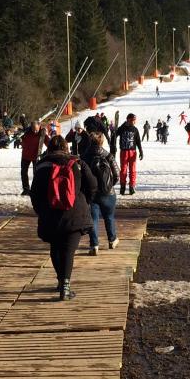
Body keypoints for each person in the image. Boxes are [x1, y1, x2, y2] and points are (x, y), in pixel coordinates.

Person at [29, 136, 96, 300]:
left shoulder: (41, 166)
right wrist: (85, 201)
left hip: (50, 214)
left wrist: (41, 211)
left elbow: (35, 193)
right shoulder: (78, 163)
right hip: (74, 214)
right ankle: (65, 287)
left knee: (55, 248)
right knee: (69, 251)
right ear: (67, 147)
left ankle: (60, 281)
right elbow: (93, 185)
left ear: (49, 148)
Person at [85, 132, 119, 254]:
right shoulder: (108, 156)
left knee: (93, 218)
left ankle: (94, 245)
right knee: (109, 216)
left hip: (91, 194)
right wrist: (109, 186)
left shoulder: (85, 157)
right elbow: (117, 175)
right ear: (102, 142)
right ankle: (112, 240)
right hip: (108, 193)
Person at [116, 113, 144, 195]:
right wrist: (114, 131)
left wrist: (141, 151)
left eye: (135, 120)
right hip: (124, 152)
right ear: (128, 119)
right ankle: (123, 186)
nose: (134, 122)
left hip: (133, 152)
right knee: (123, 170)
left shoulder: (135, 129)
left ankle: (132, 186)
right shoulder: (122, 128)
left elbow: (138, 141)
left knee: (132, 170)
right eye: (132, 120)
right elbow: (114, 135)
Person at [19, 121, 42, 195]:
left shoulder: (42, 133)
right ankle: (26, 188)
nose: (35, 131)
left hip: (36, 156)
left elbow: (48, 142)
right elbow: (21, 140)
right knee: (23, 172)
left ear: (39, 127)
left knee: (36, 173)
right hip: (25, 156)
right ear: (31, 128)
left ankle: (36, 189)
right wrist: (20, 140)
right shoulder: (27, 132)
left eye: (36, 130)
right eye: (33, 129)